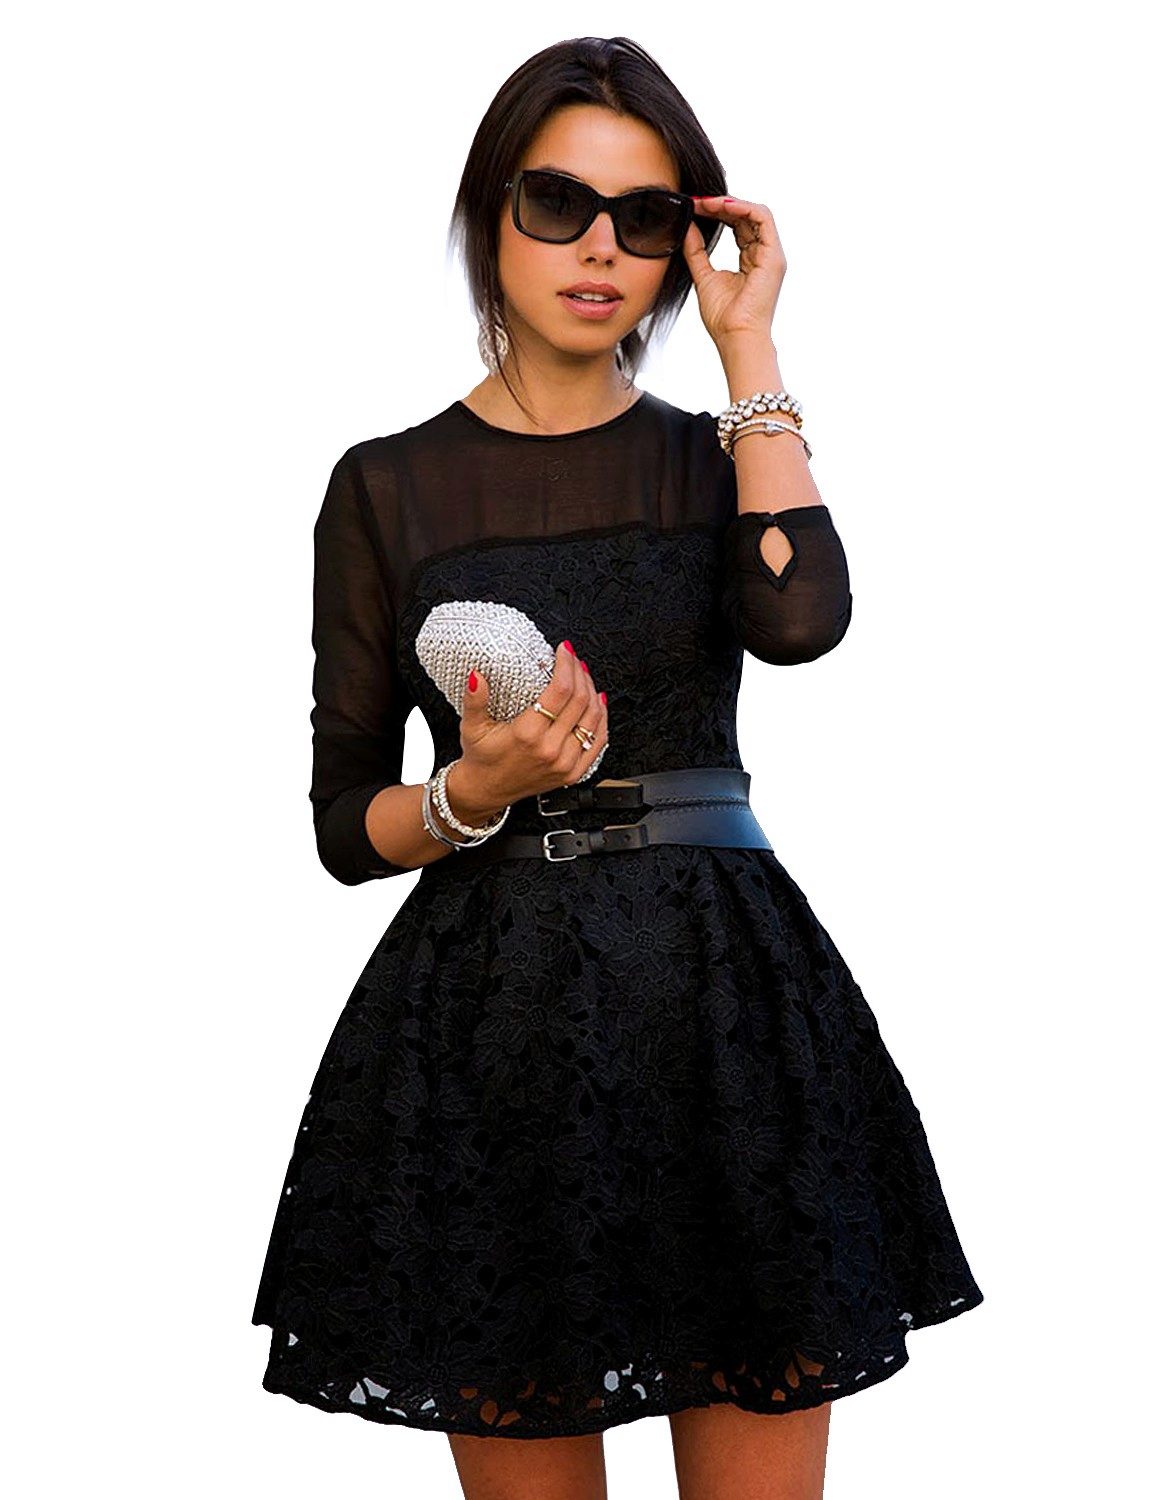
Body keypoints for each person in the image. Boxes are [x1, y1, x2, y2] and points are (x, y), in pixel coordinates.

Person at [250, 35, 984, 1500]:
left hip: (724, 1013)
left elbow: (801, 621)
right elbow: (343, 822)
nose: (600, 247)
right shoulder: (384, 486)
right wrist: (473, 793)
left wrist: (748, 350)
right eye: (558, 203)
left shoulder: (714, 459)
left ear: (679, 246)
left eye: (643, 217)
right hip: (495, 1033)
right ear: (490, 215)